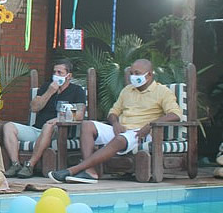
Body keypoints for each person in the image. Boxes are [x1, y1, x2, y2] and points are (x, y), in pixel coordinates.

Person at [49, 59, 182, 184]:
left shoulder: (162, 91)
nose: (133, 77)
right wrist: (115, 123)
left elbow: (175, 114)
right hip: (121, 130)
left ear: (149, 75)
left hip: (141, 133)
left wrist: (150, 125)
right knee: (87, 125)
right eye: (131, 73)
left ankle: (73, 170)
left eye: (137, 73)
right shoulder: (127, 90)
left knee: (120, 139)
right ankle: (90, 172)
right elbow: (113, 112)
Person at [3, 59, 86, 179]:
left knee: (48, 126)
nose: (56, 75)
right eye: (54, 72)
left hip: (59, 131)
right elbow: (34, 108)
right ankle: (15, 164)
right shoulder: (47, 87)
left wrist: (59, 119)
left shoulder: (77, 91)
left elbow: (80, 114)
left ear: (69, 76)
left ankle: (30, 165)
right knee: (8, 126)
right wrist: (50, 92)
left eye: (60, 72)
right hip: (37, 130)